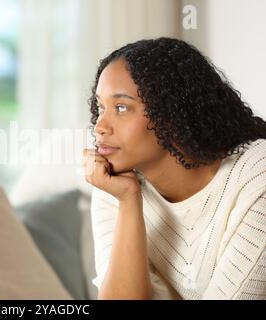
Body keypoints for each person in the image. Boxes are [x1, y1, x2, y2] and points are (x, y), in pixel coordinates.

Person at [83, 37, 266, 300]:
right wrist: (128, 200)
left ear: (170, 114)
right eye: (101, 107)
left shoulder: (257, 176)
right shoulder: (115, 187)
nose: (100, 126)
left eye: (121, 107)